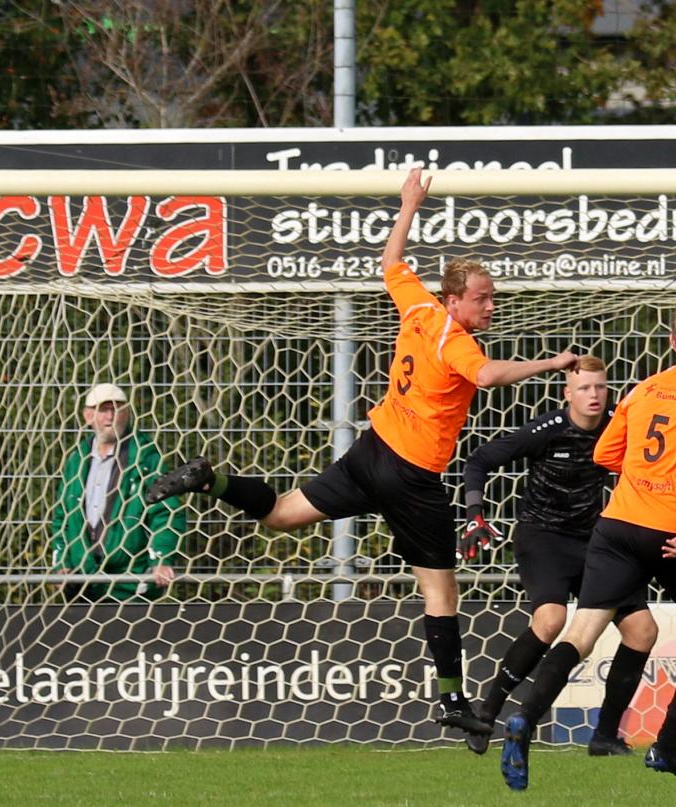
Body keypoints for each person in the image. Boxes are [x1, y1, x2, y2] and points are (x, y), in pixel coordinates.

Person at [146, 168, 578, 729]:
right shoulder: (457, 341)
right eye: (481, 298)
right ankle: (453, 703)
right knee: (441, 592)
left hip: (371, 452)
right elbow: (490, 375)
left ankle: (212, 481)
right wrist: (551, 362)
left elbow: (391, 263)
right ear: (454, 300)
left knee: (281, 514)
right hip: (410, 475)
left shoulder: (419, 308)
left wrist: (408, 204)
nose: (490, 306)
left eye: (492, 297)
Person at [496, 304, 676, 791]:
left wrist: (641, 480)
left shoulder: (641, 390)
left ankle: (524, 716)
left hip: (617, 524)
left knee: (582, 631)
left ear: (671, 342)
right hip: (672, 532)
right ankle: (668, 746)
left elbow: (607, 453)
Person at [458, 355, 659, 757]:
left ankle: (605, 735)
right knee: (551, 620)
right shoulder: (547, 429)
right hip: (543, 538)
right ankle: (488, 711)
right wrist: (474, 515)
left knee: (642, 631)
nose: (594, 395)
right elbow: (479, 460)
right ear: (567, 393)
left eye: (600, 387)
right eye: (584, 388)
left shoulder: (617, 428)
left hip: (596, 543)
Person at [52, 383, 186, 601]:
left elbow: (166, 512)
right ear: (88, 416)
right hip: (82, 583)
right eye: (103, 409)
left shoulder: (145, 457)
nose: (111, 416)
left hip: (131, 583)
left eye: (118, 408)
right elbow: (62, 518)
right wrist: (61, 564)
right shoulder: (76, 460)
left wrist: (160, 560)